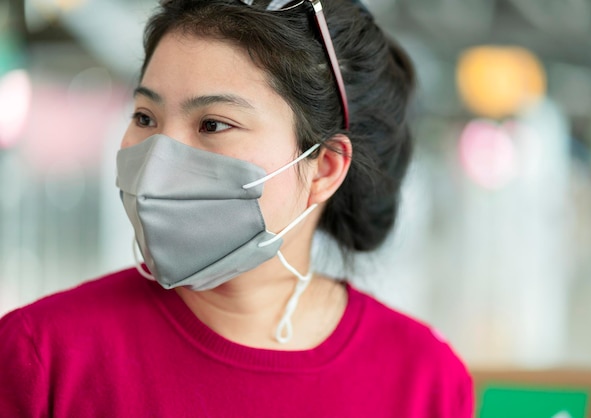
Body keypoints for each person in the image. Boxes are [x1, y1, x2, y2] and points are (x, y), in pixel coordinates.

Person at [0, 0, 473, 416]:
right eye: (145, 116)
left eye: (213, 123)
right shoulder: (39, 357)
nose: (159, 157)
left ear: (324, 168)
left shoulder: (425, 380)